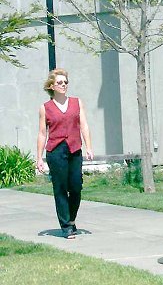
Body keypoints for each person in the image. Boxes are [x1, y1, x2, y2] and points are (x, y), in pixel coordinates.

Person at [36, 68, 93, 239]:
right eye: (60, 82)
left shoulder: (77, 102)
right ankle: (66, 226)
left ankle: (72, 219)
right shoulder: (45, 108)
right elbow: (42, 133)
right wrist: (39, 157)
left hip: (75, 148)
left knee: (76, 187)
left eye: (65, 82)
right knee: (60, 188)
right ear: (52, 86)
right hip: (56, 151)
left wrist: (89, 147)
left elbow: (84, 125)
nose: (63, 85)